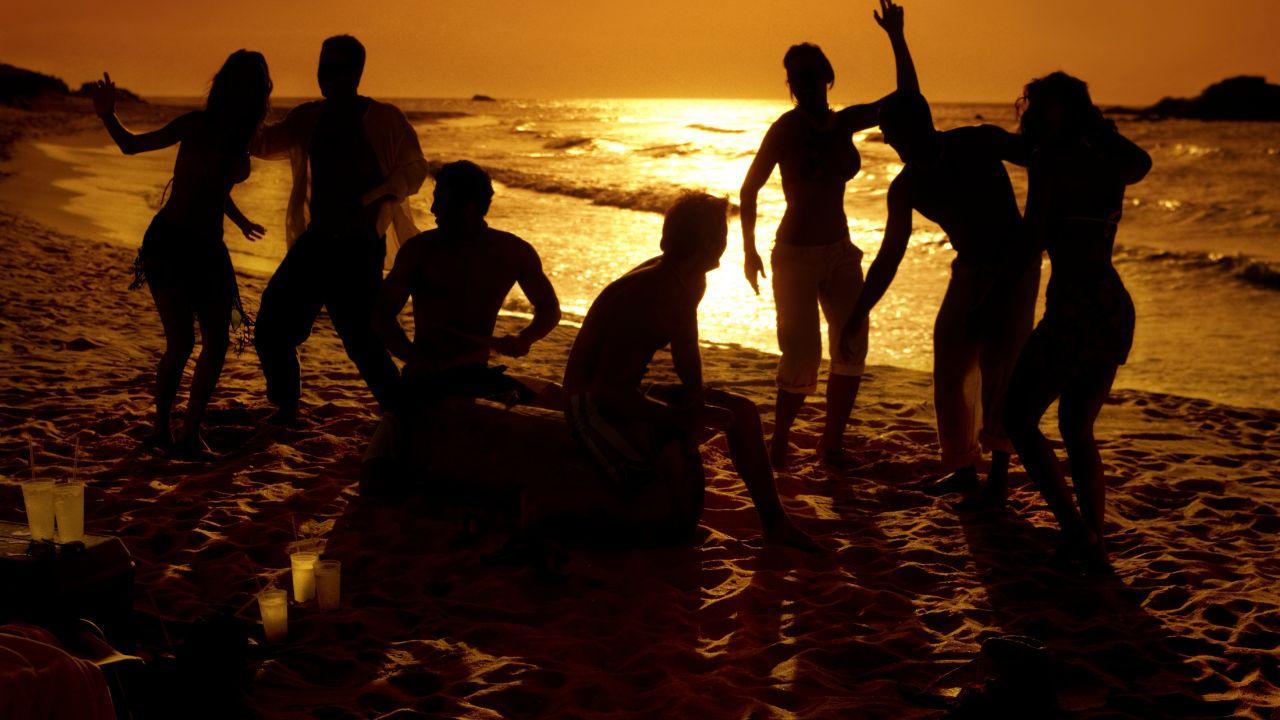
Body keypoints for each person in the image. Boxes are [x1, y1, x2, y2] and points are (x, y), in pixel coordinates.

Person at [837, 1, 1040, 505]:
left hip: (1014, 267)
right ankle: (961, 468)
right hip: (968, 269)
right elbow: (889, 255)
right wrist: (858, 312)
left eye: (901, 136)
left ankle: (995, 478)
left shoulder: (977, 142)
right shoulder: (906, 187)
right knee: (950, 364)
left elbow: (1040, 157)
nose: (897, 147)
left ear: (923, 126)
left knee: (1001, 367)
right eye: (891, 139)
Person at [557, 192, 821, 551]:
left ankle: (775, 525)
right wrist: (674, 418)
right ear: (713, 243)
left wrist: (696, 398)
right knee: (661, 485)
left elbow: (686, 347)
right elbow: (606, 389)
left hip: (629, 389)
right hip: (589, 402)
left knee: (740, 412)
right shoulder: (647, 293)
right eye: (724, 236)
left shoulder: (689, 278)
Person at [739, 0, 908, 468]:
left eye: (811, 74)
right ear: (790, 85)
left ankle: (830, 442)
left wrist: (896, 37)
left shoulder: (845, 121)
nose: (804, 84)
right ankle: (779, 440)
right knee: (802, 352)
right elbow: (749, 189)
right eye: (795, 77)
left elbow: (906, 99)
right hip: (793, 254)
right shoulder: (785, 129)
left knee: (853, 340)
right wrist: (749, 252)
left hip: (838, 250)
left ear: (827, 76)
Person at [1002, 72, 1151, 574]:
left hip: (1075, 307)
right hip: (1110, 305)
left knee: (1019, 419)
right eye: (1034, 105)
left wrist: (994, 297)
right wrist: (1102, 131)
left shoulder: (1050, 160)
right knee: (1075, 427)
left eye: (1043, 106)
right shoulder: (1109, 158)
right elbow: (1141, 163)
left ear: (1065, 110)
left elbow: (1031, 239)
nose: (1035, 114)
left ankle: (1076, 531)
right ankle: (1092, 538)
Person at [89, 52, 272, 457]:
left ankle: (189, 432)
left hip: (209, 247)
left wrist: (239, 220)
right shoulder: (196, 124)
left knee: (217, 341)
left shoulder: (242, 137)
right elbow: (132, 146)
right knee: (182, 342)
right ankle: (162, 430)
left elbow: (212, 186)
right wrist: (107, 114)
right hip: (170, 243)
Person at [251, 35, 428, 424]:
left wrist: (378, 194)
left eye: (337, 67)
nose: (327, 75)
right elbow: (263, 143)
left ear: (356, 73)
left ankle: (402, 413)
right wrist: (246, 104)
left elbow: (415, 170)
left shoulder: (383, 118)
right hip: (317, 240)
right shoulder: (308, 117)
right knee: (272, 325)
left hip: (359, 246)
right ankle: (286, 405)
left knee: (362, 338)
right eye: (323, 66)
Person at [373, 160, 561, 405]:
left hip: (477, 376)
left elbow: (549, 310)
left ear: (468, 207)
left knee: (559, 406)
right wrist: (415, 357)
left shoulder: (513, 251)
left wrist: (525, 337)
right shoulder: (420, 250)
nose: (433, 208)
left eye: (441, 199)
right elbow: (381, 315)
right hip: (426, 381)